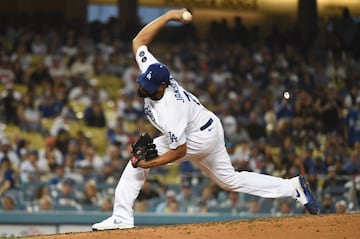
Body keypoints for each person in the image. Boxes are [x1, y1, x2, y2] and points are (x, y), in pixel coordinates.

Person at [92, 8, 319, 231]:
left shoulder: (172, 110)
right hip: (208, 126)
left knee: (136, 163)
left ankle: (121, 217)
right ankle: (292, 187)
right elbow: (138, 41)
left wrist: (148, 164)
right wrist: (170, 16)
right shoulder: (154, 71)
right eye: (143, 82)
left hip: (196, 137)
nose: (142, 86)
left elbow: (179, 151)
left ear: (162, 86)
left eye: (147, 86)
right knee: (229, 180)